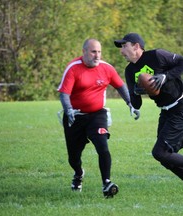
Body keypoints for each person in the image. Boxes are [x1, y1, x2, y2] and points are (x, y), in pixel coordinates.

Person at [114, 33, 183, 199]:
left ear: (136, 46)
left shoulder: (156, 55)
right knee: (166, 158)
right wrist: (137, 92)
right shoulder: (130, 70)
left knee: (159, 152)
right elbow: (136, 103)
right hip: (166, 112)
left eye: (124, 46)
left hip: (181, 109)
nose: (121, 51)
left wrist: (165, 76)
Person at [57, 38, 140, 198]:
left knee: (103, 146)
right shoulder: (73, 68)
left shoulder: (106, 68)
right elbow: (64, 94)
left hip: (97, 115)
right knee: (74, 157)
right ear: (84, 52)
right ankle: (78, 174)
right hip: (75, 116)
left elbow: (120, 86)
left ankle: (107, 183)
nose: (97, 55)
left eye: (99, 52)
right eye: (93, 51)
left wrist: (131, 103)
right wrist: (68, 110)